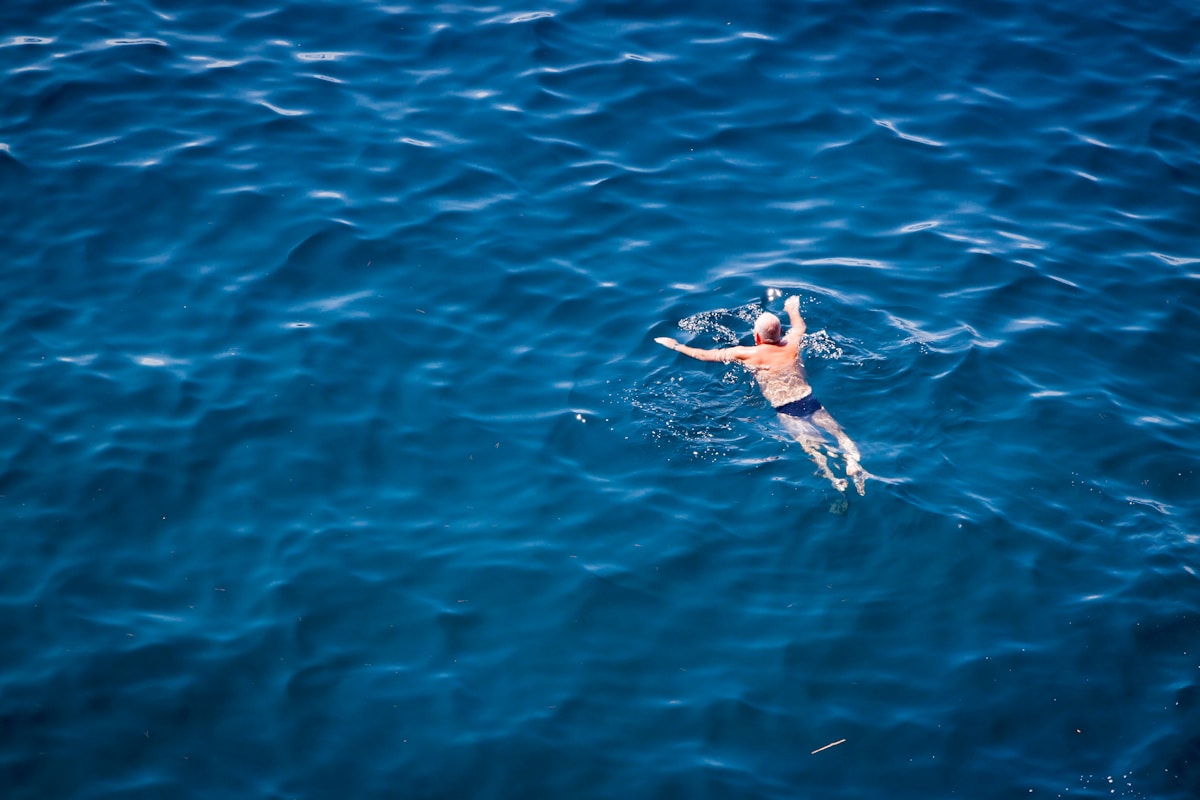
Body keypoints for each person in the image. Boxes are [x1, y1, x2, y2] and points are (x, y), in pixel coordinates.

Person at [655, 296, 868, 495]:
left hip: (786, 409)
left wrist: (675, 345)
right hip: (809, 399)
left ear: (756, 337)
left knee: (813, 448)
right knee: (839, 434)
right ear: (780, 332)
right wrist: (792, 308)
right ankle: (853, 461)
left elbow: (703, 355)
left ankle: (834, 478)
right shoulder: (791, 343)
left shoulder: (746, 353)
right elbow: (800, 327)